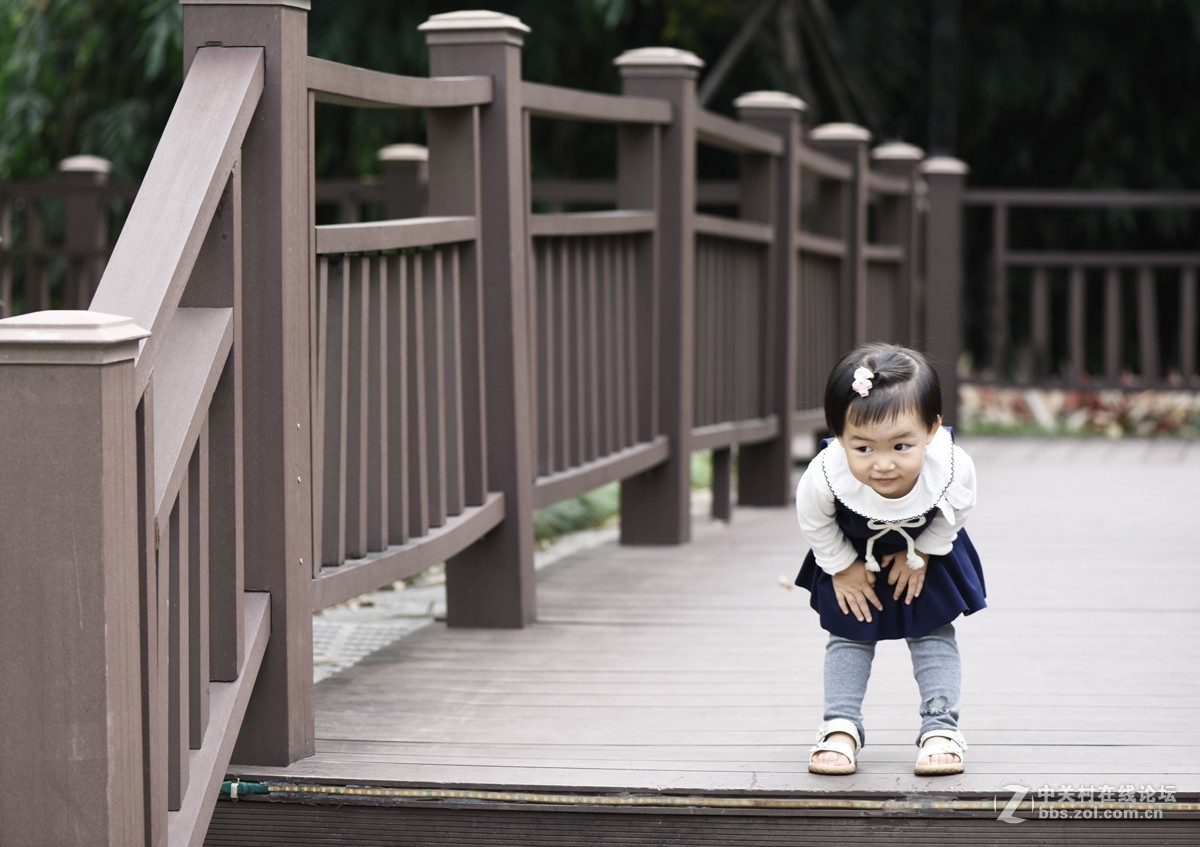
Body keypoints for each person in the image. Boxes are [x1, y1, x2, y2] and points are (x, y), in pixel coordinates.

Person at [795, 342, 986, 777]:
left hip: (924, 554)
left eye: (901, 446)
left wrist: (923, 551)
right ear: (840, 436)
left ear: (932, 429)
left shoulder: (952, 466)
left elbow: (958, 508)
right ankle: (840, 726)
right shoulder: (826, 474)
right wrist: (842, 567)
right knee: (848, 633)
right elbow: (814, 521)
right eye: (863, 448)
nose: (882, 464)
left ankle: (941, 728)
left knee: (933, 632)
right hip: (850, 552)